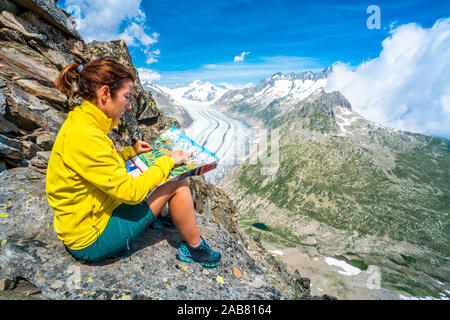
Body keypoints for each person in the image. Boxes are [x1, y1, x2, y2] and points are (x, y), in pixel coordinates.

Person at [46, 57, 221, 267]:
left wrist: (131, 152)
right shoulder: (87, 136)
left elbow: (97, 166)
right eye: (127, 97)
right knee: (177, 181)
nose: (129, 106)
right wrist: (168, 161)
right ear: (104, 93)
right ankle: (196, 249)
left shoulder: (83, 122)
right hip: (91, 239)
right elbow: (131, 192)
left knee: (151, 172)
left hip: (89, 219)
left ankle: (164, 215)